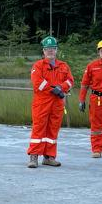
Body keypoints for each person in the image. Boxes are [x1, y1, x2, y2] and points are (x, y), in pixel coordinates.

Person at [27, 36, 74, 168]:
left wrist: (62, 88)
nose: (50, 51)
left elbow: (70, 80)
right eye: (47, 49)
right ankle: (34, 157)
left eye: (52, 49)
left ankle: (49, 157)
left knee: (53, 129)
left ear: (56, 50)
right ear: (43, 51)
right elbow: (37, 83)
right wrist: (54, 89)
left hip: (57, 103)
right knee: (38, 128)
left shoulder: (64, 66)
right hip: (42, 102)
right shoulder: (38, 65)